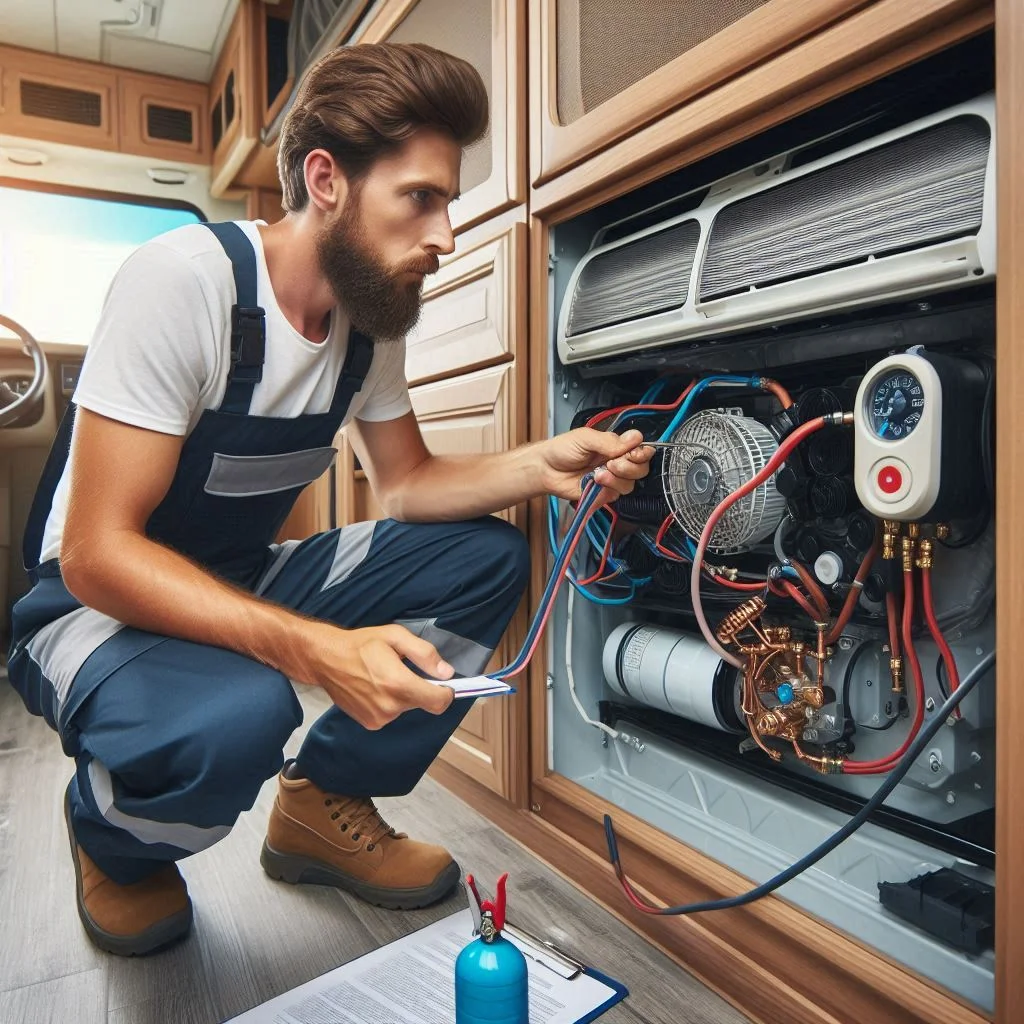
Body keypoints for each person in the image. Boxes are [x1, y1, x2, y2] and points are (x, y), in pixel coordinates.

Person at [6, 41, 652, 958]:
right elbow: (97, 553)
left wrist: (545, 462)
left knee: (488, 555)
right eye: (420, 199)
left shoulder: (364, 326)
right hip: (88, 609)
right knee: (247, 712)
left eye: (449, 203)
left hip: (234, 575)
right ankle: (114, 839)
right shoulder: (186, 284)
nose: (445, 236)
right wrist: (317, 649)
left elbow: (408, 485)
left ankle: (324, 800)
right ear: (327, 180)